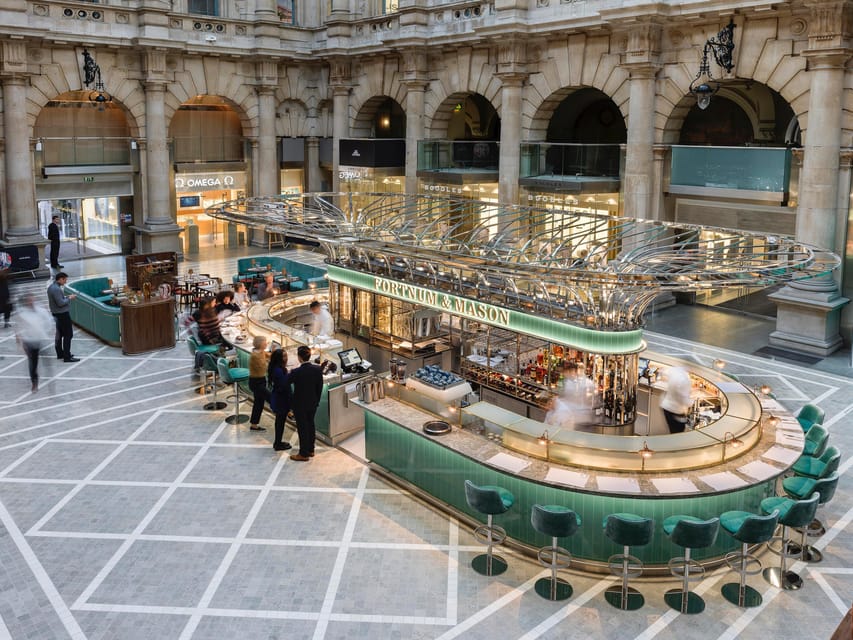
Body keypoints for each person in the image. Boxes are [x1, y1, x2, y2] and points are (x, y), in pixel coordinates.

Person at [287, 345, 323, 461]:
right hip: (313, 402)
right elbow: (319, 387)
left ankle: (303, 454)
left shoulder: (296, 372)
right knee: (311, 425)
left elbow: (286, 382)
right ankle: (311, 449)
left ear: (299, 358)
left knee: (302, 428)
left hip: (300, 404)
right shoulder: (318, 369)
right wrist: (316, 400)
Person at [16, 294, 53, 392]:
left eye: (32, 300)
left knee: (47, 362)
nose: (30, 302)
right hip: (30, 342)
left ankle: (50, 383)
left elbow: (49, 322)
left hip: (41, 339)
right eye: (28, 300)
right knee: (33, 364)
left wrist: (46, 332)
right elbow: (19, 328)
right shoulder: (22, 314)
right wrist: (21, 342)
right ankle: (34, 382)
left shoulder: (41, 311)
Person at [47, 272, 78, 362]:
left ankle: (60, 353)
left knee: (59, 334)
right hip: (62, 314)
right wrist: (70, 298)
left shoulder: (51, 287)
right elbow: (60, 303)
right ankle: (67, 356)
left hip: (56, 314)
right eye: (65, 279)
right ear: (60, 279)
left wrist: (66, 297)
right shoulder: (56, 289)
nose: (65, 281)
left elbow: (59, 299)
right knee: (68, 334)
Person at [267, 347, 292, 451]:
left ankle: (278, 442)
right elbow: (283, 386)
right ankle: (277, 443)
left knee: (279, 422)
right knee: (280, 423)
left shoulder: (276, 368)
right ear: (279, 358)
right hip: (281, 400)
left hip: (279, 399)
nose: (286, 358)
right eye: (284, 356)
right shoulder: (278, 370)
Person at [661, 366, 692, 434]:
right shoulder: (685, 379)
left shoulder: (676, 370)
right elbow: (682, 399)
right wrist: (692, 402)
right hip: (675, 411)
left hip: (666, 407)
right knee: (678, 433)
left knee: (672, 430)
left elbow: (663, 371)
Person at [247, 335, 270, 433]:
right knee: (271, 398)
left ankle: (254, 424)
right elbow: (264, 368)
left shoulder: (261, 352)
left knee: (259, 403)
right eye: (265, 342)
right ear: (260, 343)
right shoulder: (254, 356)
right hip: (256, 383)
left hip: (261, 380)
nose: (266, 343)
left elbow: (269, 356)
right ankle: (289, 413)